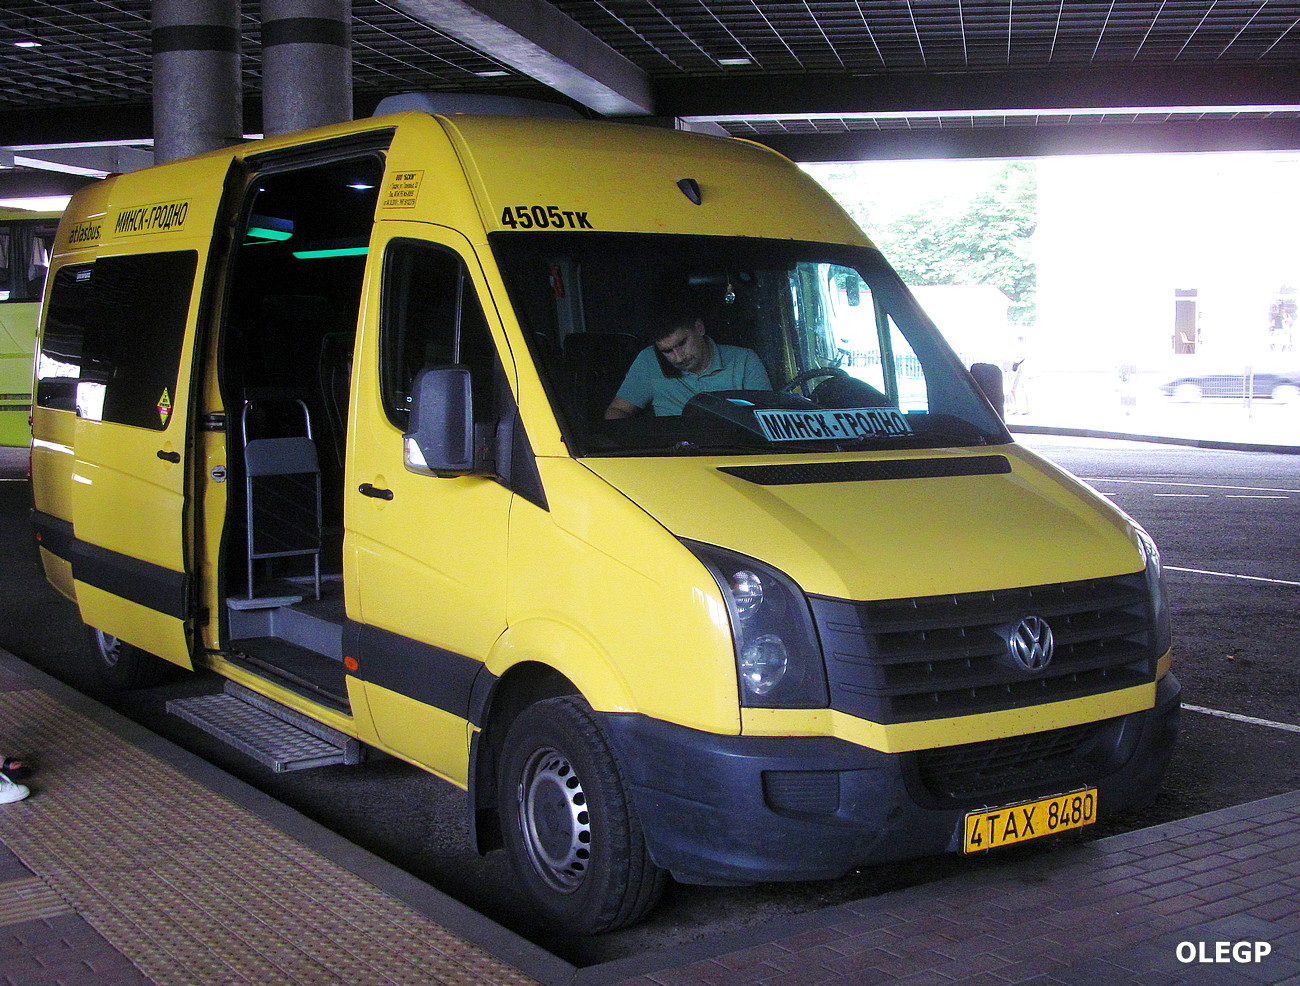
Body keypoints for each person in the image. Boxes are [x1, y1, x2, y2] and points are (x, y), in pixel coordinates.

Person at [605, 309, 771, 418]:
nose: (679, 358)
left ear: (699, 328)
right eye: (667, 351)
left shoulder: (744, 360)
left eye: (682, 344)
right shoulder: (649, 360)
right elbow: (618, 410)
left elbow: (768, 417)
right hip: (671, 455)